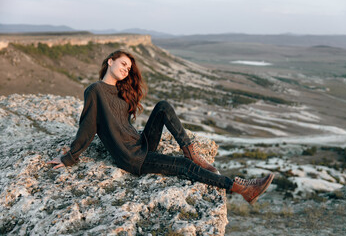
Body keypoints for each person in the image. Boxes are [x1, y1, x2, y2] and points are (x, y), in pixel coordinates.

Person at [47, 50, 274, 205]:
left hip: (141, 143)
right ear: (110, 61)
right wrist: (69, 157)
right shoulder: (95, 90)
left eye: (129, 68)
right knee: (183, 167)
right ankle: (241, 188)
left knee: (163, 107)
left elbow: (124, 124)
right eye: (123, 64)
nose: (126, 69)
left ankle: (191, 151)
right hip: (132, 157)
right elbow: (87, 127)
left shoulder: (120, 91)